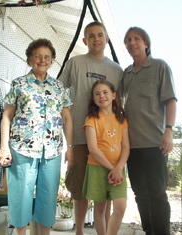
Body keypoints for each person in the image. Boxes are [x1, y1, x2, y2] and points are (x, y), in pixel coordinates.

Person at [0, 38, 73, 235]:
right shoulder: (19, 84)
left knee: (47, 197)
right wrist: (4, 147)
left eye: (47, 56)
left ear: (52, 60)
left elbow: (67, 118)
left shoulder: (59, 87)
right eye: (37, 55)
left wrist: (70, 147)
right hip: (22, 148)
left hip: (52, 150)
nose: (42, 60)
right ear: (30, 58)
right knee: (21, 195)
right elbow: (7, 116)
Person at [59, 21, 123, 235]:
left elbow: (121, 102)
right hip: (79, 135)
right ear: (85, 40)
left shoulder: (117, 70)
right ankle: (79, 230)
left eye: (100, 34)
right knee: (80, 188)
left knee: (106, 189)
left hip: (109, 140)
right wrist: (65, 117)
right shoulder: (75, 63)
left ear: (107, 39)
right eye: (91, 36)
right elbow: (59, 91)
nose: (96, 38)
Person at [121, 26, 177, 235]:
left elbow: (171, 100)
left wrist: (169, 130)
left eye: (136, 39)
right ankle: (149, 231)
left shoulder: (160, 66)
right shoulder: (126, 73)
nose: (132, 43)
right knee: (139, 194)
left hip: (155, 142)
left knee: (157, 193)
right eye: (128, 40)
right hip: (131, 146)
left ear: (146, 43)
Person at [82, 80, 129, 235]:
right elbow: (93, 149)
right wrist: (112, 169)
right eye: (97, 94)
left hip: (118, 170)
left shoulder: (122, 119)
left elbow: (126, 147)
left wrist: (119, 168)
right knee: (100, 208)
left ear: (114, 95)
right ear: (93, 99)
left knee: (120, 207)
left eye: (105, 92)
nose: (101, 96)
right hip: (97, 168)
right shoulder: (92, 119)